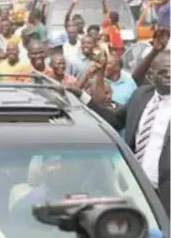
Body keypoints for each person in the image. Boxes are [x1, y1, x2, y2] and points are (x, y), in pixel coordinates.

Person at [66, 31, 170, 215]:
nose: (169, 75)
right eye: (164, 71)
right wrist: (81, 95)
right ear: (152, 75)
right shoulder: (141, 96)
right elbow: (114, 120)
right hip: (136, 190)